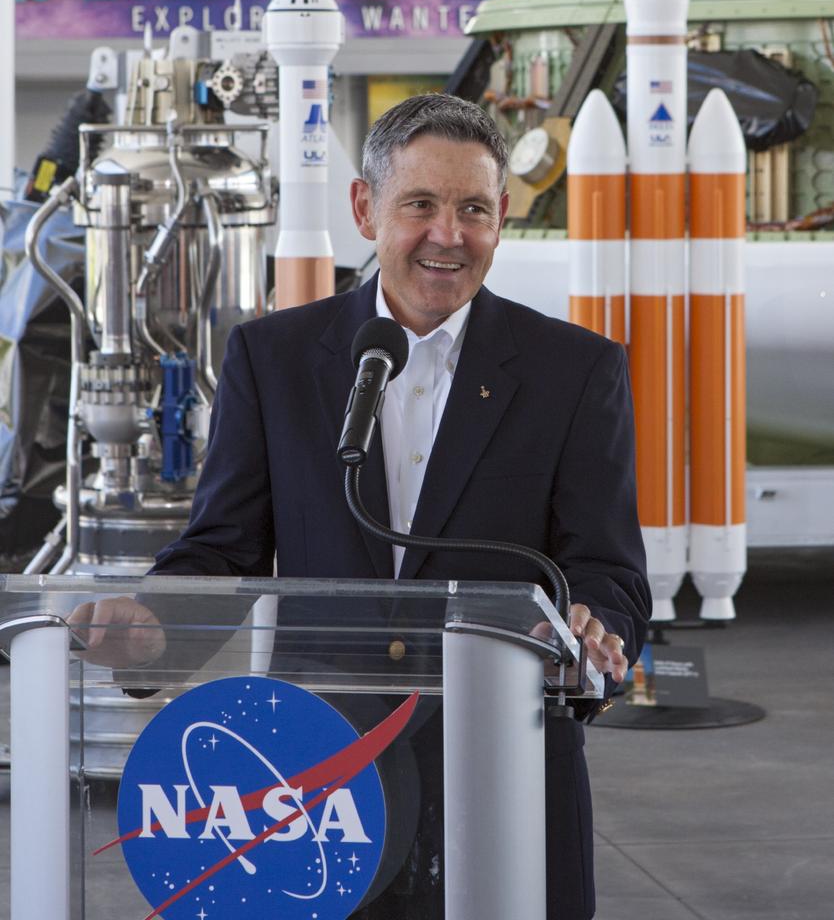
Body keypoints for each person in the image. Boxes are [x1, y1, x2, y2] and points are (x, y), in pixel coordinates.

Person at [75, 93, 650, 919]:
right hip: (315, 782)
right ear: (364, 208)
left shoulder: (575, 371)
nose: (448, 235)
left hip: (505, 775)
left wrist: (594, 628)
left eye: (473, 210)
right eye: (420, 204)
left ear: (502, 218)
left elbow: (608, 568)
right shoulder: (272, 360)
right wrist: (155, 627)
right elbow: (223, 550)